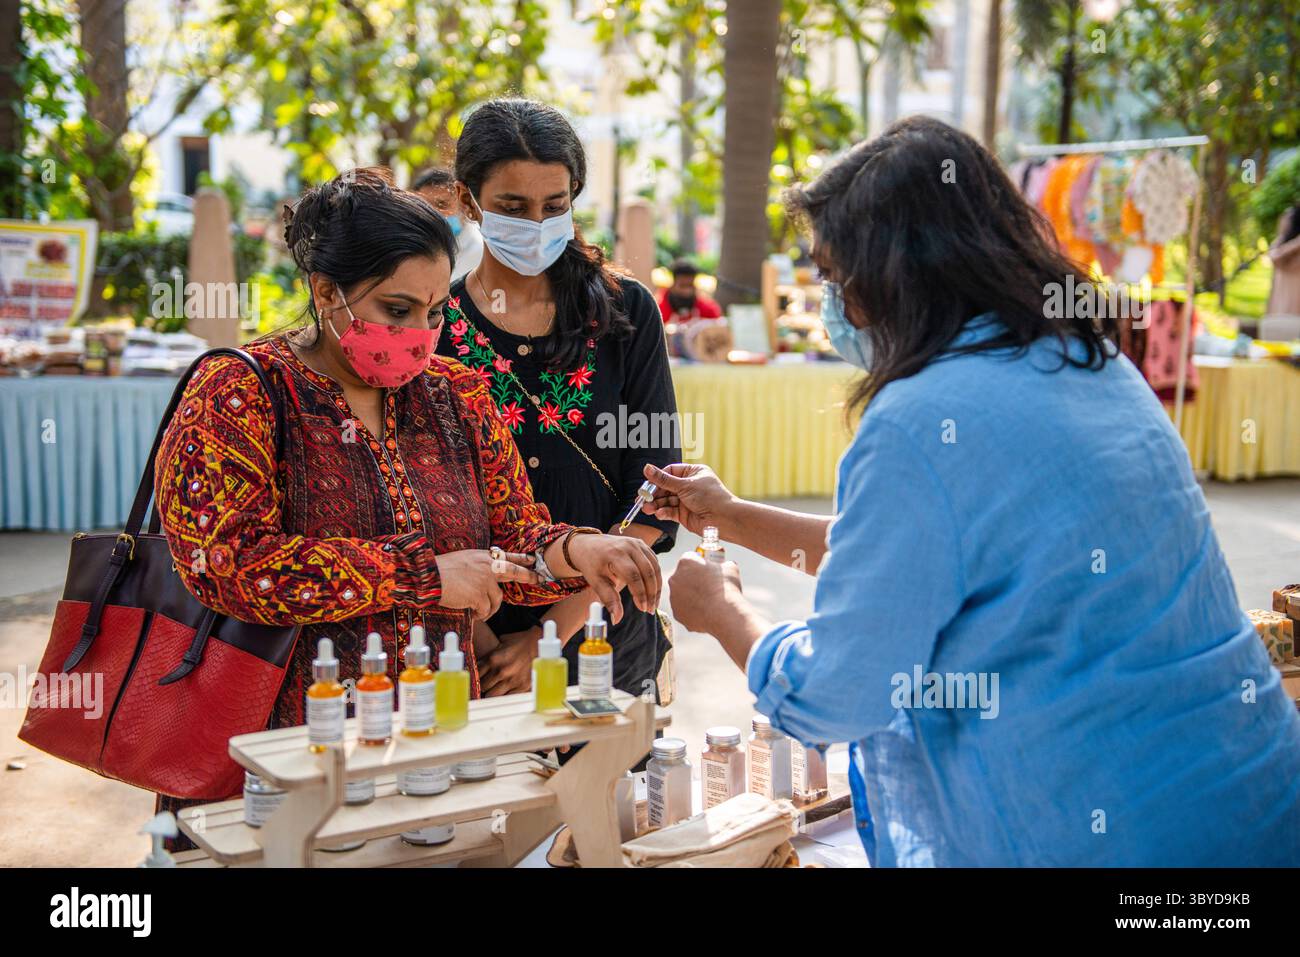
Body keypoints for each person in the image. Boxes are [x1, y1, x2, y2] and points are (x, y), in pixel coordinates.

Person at [652, 115, 1300, 866]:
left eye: (834, 275)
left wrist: (723, 608)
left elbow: (840, 692)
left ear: (894, 272)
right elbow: (913, 558)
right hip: (1245, 802)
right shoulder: (1088, 365)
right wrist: (727, 515)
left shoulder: (918, 420)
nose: (829, 300)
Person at [153, 168, 661, 846]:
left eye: (433, 312)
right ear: (327, 291)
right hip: (273, 761)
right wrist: (422, 575)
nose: (421, 334)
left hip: (436, 750)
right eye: (396, 310)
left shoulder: (454, 394)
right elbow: (228, 565)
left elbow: (516, 534)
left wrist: (578, 550)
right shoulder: (240, 393)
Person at [434, 99, 679, 711]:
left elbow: (657, 495)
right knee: (494, 804)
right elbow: (416, 498)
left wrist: (547, 636)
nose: (536, 223)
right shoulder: (433, 325)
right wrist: (490, 641)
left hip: (605, 629)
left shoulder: (625, 315)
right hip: (471, 639)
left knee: (611, 803)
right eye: (513, 208)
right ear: (468, 202)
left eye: (555, 206)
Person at [412, 166, 483, 281]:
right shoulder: (409, 246)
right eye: (423, 206)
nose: (432, 213)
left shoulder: (482, 252)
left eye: (442, 204)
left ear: (464, 202)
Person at [657, 258, 722, 323]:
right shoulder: (659, 308)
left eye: (690, 285)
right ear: (673, 285)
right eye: (682, 286)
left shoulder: (707, 308)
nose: (687, 291)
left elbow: (717, 322)